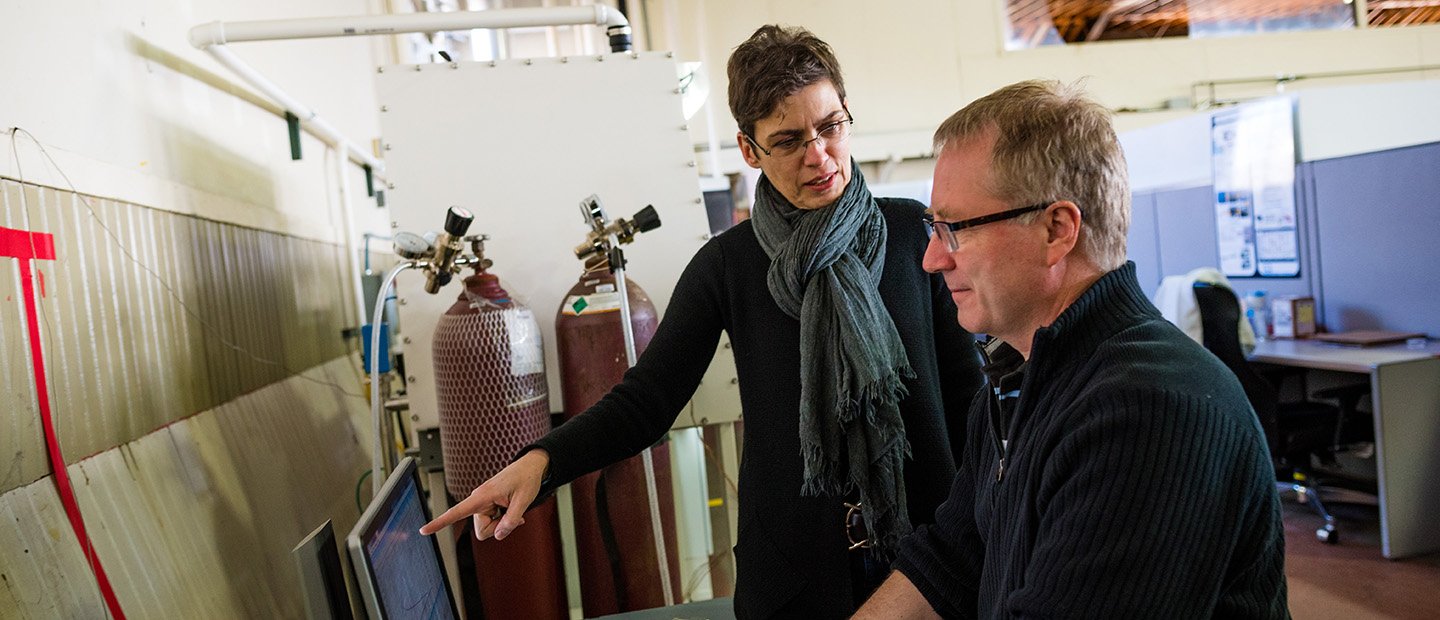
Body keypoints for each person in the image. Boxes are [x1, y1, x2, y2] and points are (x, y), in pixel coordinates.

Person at [420, 25, 985, 618]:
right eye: (788, 140)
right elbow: (648, 399)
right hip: (795, 580)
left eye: (829, 127)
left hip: (927, 560)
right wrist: (541, 464)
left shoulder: (913, 235)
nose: (818, 155)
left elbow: (968, 393)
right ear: (750, 150)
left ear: (847, 114)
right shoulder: (729, 265)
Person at [854, 80, 1289, 618]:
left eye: (954, 229)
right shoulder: (1019, 379)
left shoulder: (1148, 410)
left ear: (1057, 230)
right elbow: (948, 563)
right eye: (933, 229)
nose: (932, 260)